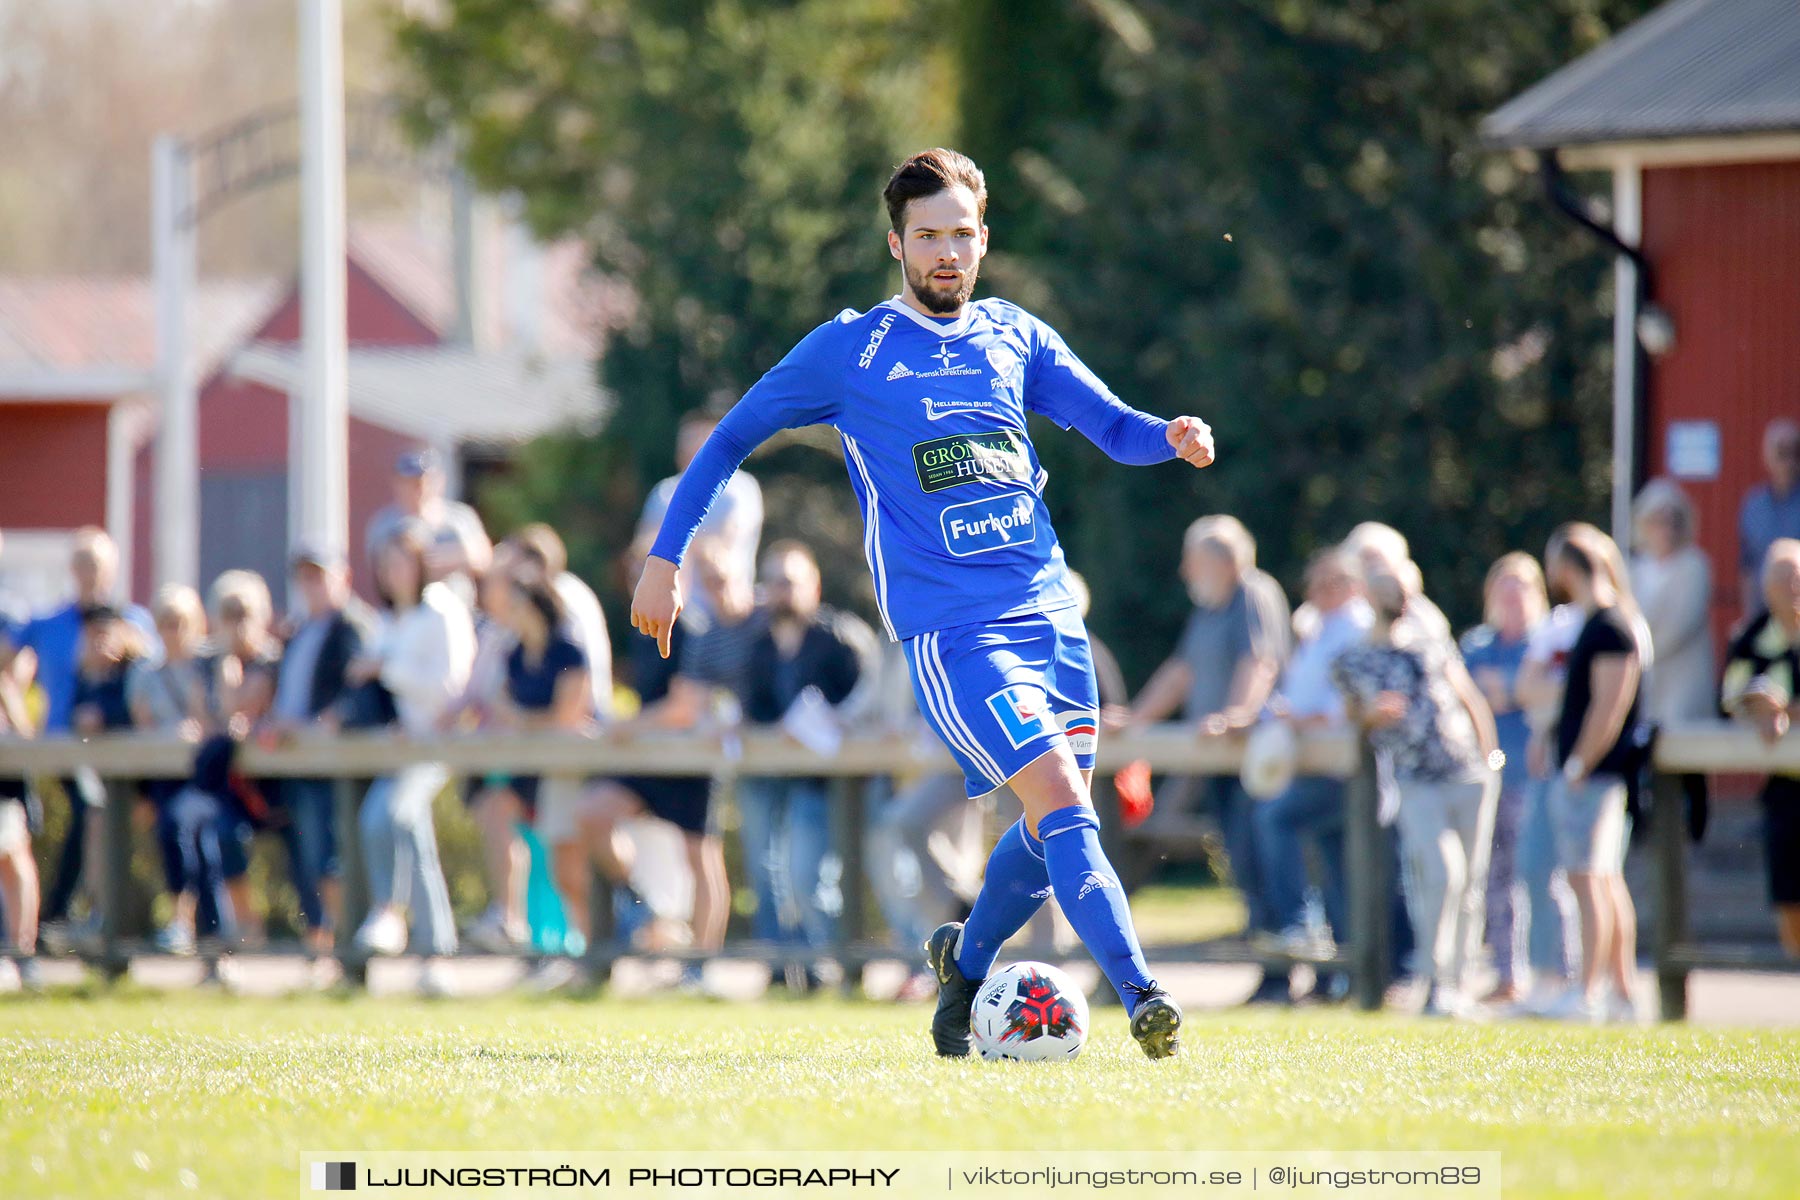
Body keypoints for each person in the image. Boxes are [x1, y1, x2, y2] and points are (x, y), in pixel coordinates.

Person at [631, 148, 1217, 1059]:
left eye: (962, 235)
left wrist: (1169, 435)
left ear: (984, 239)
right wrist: (665, 559)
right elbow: (732, 437)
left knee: (1045, 818)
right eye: (927, 236)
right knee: (1063, 798)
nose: (947, 252)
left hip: (1050, 616)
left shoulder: (1015, 336)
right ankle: (1145, 995)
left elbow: (1111, 426)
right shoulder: (851, 350)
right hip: (955, 632)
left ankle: (966, 963)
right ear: (896, 244)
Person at [1106, 514, 1290, 1000]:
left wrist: (1237, 714)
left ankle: (1284, 972)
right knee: (1243, 860)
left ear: (1222, 560)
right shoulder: (1209, 609)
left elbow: (1262, 661)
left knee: (1264, 859)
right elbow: (1181, 670)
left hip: (1254, 758)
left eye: (1192, 561)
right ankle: (1271, 971)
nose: (1186, 572)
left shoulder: (1253, 592)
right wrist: (1137, 718)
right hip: (1219, 760)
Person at [587, 537, 757, 988]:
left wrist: (627, 727)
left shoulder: (693, 625)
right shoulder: (638, 626)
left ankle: (700, 965)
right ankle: (649, 910)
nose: (636, 578)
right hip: (652, 754)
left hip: (691, 757)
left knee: (701, 858)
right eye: (633, 569)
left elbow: (686, 705)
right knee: (593, 814)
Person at [1332, 572, 1500, 1018]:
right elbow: (1355, 718)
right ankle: (1433, 980)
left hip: (1468, 773)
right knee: (1441, 874)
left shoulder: (1430, 642)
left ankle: (1460, 986)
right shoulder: (1353, 659)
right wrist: (1371, 714)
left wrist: (1491, 759)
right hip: (1415, 778)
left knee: (1470, 883)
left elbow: (1467, 697)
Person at [735, 541, 879, 983]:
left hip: (838, 784)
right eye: (774, 582)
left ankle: (842, 967)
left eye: (790, 582)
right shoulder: (759, 646)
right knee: (778, 876)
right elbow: (754, 713)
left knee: (814, 880)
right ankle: (801, 970)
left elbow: (866, 707)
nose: (781, 592)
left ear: (813, 586)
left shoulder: (841, 639)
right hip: (783, 779)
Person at [344, 524, 476, 996]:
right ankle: (433, 950)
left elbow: (452, 688)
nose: (392, 572)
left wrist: (388, 670)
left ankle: (391, 912)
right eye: (385, 564)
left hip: (437, 743)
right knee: (399, 827)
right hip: (398, 746)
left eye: (401, 561)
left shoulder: (442, 610)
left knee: (393, 817)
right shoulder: (388, 619)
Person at [16, 528, 156, 945]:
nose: (89, 574)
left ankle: (103, 919)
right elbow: (11, 666)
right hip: (66, 745)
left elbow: (155, 673)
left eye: (96, 565)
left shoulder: (134, 621)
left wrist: (130, 647)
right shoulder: (51, 623)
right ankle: (60, 917)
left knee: (109, 822)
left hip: (120, 751)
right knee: (88, 811)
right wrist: (22, 723)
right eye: (82, 565)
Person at [1541, 523, 1647, 1023]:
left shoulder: (1609, 625)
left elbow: (1610, 706)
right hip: (1597, 774)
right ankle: (1622, 995)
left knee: (1589, 881)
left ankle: (1589, 991)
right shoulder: (1599, 621)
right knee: (1604, 881)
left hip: (1597, 775)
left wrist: (1579, 764)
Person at [1251, 545, 1372, 978]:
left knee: (1276, 819)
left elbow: (1348, 703)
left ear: (1354, 585)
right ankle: (1343, 969)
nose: (1320, 591)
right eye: (1316, 582)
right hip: (1318, 761)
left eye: (1332, 582)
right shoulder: (1322, 627)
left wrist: (1298, 719)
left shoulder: (1356, 626)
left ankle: (1301, 923)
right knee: (1336, 863)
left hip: (1347, 765)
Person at [264, 544, 369, 957]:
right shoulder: (300, 630)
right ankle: (322, 945)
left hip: (329, 763)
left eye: (319, 576)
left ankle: (342, 948)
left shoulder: (353, 627)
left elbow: (356, 695)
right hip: (293, 760)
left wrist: (315, 724)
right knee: (305, 859)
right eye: (305, 577)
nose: (311, 586)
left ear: (343, 578)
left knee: (328, 859)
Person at [493, 575, 596, 992]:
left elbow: (569, 715)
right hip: (528, 767)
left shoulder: (568, 648)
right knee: (535, 858)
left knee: (565, 860)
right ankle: (543, 950)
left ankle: (585, 949)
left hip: (565, 766)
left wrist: (523, 723)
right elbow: (500, 702)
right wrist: (524, 723)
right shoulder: (516, 653)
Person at [1458, 553, 1547, 1007]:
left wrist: (1508, 691)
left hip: (1536, 776)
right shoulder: (1476, 644)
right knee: (1495, 880)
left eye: (1522, 591)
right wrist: (1514, 691)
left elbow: (1541, 693)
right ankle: (1508, 973)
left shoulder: (1547, 642)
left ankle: (1553, 974)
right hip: (1489, 775)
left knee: (1541, 877)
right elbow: (1466, 694)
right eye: (1504, 592)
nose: (1512, 602)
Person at [1720, 538, 1800, 957]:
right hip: (1786, 789)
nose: (1792, 589)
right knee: (1788, 894)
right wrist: (1759, 706)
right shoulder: (1753, 637)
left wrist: (1788, 708)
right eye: (1783, 580)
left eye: (1797, 578)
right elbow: (1731, 696)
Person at [126, 585, 217, 954]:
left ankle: (212, 937)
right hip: (163, 777)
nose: (173, 631)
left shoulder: (208, 667)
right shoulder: (146, 673)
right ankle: (181, 920)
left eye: (180, 622)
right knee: (173, 832)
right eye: (165, 623)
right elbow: (142, 723)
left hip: (203, 774)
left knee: (205, 844)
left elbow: (213, 722)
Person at [634, 409, 765, 608]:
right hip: (676, 611)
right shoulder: (663, 493)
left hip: (727, 609)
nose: (692, 449)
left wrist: (674, 543)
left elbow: (724, 543)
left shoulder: (740, 489)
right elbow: (642, 549)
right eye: (687, 442)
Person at [1630, 479, 1715, 728]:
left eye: (1673, 521)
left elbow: (1681, 625)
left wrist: (1636, 656)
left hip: (1683, 687)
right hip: (1645, 688)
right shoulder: (1633, 569)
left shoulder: (1694, 565)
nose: (1666, 529)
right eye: (1658, 521)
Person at [363, 449, 493, 602]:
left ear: (439, 481)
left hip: (459, 608)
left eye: (425, 481)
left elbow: (483, 559)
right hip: (407, 614)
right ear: (397, 483)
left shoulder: (459, 518)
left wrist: (427, 561)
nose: (419, 488)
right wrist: (454, 558)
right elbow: (384, 574)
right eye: (411, 483)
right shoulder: (384, 525)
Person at [1739, 418, 1800, 619]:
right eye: (1782, 452)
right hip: (1763, 614)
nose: (1789, 460)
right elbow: (1747, 565)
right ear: (1768, 456)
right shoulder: (1753, 506)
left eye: (1795, 452)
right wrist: (1749, 619)